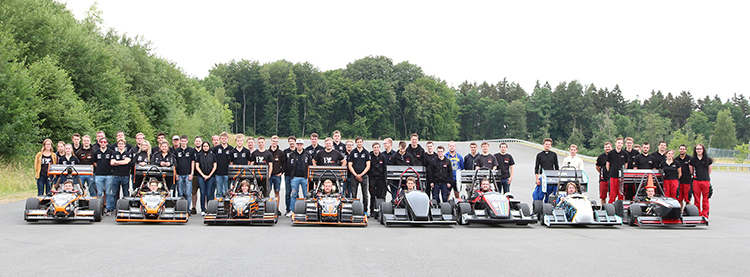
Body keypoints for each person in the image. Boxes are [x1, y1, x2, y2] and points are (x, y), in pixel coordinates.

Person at [288, 139, 312, 213]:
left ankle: (307, 210)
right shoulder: (292, 154)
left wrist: (308, 176)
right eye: (298, 144)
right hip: (295, 178)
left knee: (306, 195)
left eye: (301, 144)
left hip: (305, 178)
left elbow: (310, 165)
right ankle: (292, 210)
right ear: (296, 145)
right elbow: (289, 165)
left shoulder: (307, 154)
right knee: (294, 195)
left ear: (303, 145)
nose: (299, 146)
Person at [348, 136, 371, 214]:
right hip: (354, 176)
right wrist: (355, 175)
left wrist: (361, 174)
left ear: (362, 142)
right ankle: (354, 210)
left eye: (360, 142)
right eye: (357, 142)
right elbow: (350, 165)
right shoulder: (353, 152)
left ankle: (365, 211)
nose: (359, 143)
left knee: (365, 194)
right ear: (356, 143)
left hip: (364, 176)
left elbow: (368, 165)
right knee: (354, 194)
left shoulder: (366, 153)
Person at [108, 139, 131, 213]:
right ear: (117, 145)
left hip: (125, 175)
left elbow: (126, 162)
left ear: (125, 145)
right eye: (119, 144)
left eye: (122, 144)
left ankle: (126, 207)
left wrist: (116, 162)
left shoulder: (127, 153)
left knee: (126, 193)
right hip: (116, 175)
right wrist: (121, 162)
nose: (121, 145)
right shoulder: (114, 153)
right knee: (114, 193)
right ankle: (113, 208)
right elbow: (111, 163)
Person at [689, 144, 712, 217]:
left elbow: (709, 171)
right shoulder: (693, 160)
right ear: (695, 150)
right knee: (696, 198)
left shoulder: (708, 159)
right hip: (696, 181)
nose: (699, 150)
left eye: (700, 149)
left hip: (705, 181)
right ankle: (698, 212)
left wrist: (705, 177)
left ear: (703, 150)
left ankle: (705, 213)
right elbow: (691, 171)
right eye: (697, 149)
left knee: (705, 198)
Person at [174, 135, 196, 212]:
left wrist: (192, 173)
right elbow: (174, 163)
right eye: (182, 141)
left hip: (188, 174)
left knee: (188, 193)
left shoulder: (191, 150)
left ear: (187, 141)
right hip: (179, 174)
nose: (183, 142)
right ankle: (181, 208)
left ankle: (187, 209)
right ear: (180, 141)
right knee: (180, 193)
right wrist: (176, 174)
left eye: (185, 141)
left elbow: (193, 162)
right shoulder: (176, 151)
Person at [606, 138, 631, 203]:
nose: (620, 144)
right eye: (618, 143)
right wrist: (610, 172)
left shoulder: (625, 153)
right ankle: (610, 207)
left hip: (621, 177)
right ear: (616, 143)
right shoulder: (611, 153)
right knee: (612, 194)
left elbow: (626, 164)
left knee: (621, 194)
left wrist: (624, 172)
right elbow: (608, 164)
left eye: (621, 143)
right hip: (613, 175)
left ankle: (620, 208)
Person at [534, 138, 560, 203]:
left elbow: (556, 167)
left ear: (551, 145)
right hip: (542, 177)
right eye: (546, 144)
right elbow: (536, 168)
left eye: (549, 144)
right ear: (543, 145)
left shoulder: (554, 155)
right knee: (539, 195)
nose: (547, 145)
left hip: (551, 177)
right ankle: (538, 209)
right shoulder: (539, 155)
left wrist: (557, 178)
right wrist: (537, 179)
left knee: (550, 195)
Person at [195, 141, 217, 215]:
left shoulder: (212, 155)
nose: (205, 147)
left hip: (211, 177)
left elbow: (215, 166)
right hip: (201, 176)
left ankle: (209, 209)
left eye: (207, 146)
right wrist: (203, 175)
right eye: (204, 146)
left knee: (209, 193)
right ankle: (203, 209)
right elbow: (197, 166)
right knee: (202, 192)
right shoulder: (199, 155)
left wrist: (209, 175)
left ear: (209, 147)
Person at [368, 142, 387, 216]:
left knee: (380, 194)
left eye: (377, 147)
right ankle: (372, 210)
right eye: (375, 147)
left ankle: (379, 210)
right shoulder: (370, 156)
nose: (376, 149)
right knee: (372, 195)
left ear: (379, 148)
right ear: (373, 148)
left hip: (380, 178)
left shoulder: (382, 156)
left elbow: (384, 168)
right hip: (372, 178)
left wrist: (385, 178)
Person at [93, 138, 113, 204]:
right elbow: (95, 163)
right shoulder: (96, 152)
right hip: (99, 174)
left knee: (108, 192)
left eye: (104, 142)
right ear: (99, 143)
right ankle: (99, 207)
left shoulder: (111, 152)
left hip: (109, 174)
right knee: (99, 192)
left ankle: (108, 207)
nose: (103, 143)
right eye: (101, 142)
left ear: (107, 143)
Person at [212, 132, 232, 199]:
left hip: (227, 172)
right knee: (219, 190)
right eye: (222, 138)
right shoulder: (216, 148)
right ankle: (218, 204)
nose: (224, 140)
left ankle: (226, 204)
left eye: (225, 138)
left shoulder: (231, 149)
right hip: (218, 172)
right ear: (220, 139)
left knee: (226, 190)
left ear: (227, 139)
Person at [268, 135, 286, 207]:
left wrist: (281, 172)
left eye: (276, 141)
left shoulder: (281, 153)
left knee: (277, 192)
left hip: (277, 176)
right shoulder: (267, 152)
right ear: (271, 141)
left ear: (278, 142)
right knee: (267, 192)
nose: (274, 143)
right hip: (269, 176)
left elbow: (284, 164)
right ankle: (268, 207)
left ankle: (277, 208)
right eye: (273, 141)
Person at [282, 136, 297, 216]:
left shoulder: (297, 151)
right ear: (288, 142)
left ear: (295, 142)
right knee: (288, 192)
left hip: (295, 175)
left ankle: (295, 209)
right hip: (287, 175)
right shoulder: (285, 152)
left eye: (293, 141)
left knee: (295, 193)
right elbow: (284, 163)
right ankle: (288, 209)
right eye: (290, 141)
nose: (291, 142)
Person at [190, 136, 203, 214]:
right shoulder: (191, 151)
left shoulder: (204, 150)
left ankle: (204, 208)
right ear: (194, 142)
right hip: (194, 174)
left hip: (203, 175)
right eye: (196, 141)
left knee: (203, 192)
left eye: (199, 141)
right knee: (193, 192)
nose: (198, 142)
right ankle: (194, 207)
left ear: (201, 142)